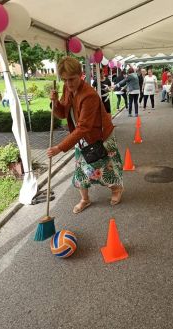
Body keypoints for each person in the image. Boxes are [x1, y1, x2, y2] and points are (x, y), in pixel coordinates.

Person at [48, 56, 123, 214]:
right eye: (65, 80)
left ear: (80, 74)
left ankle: (116, 189)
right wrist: (55, 103)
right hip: (81, 137)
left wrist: (59, 148)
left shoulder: (89, 95)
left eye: (72, 79)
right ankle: (85, 199)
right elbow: (63, 114)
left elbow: (84, 127)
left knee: (104, 168)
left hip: (99, 136)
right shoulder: (67, 89)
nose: (69, 84)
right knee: (81, 170)